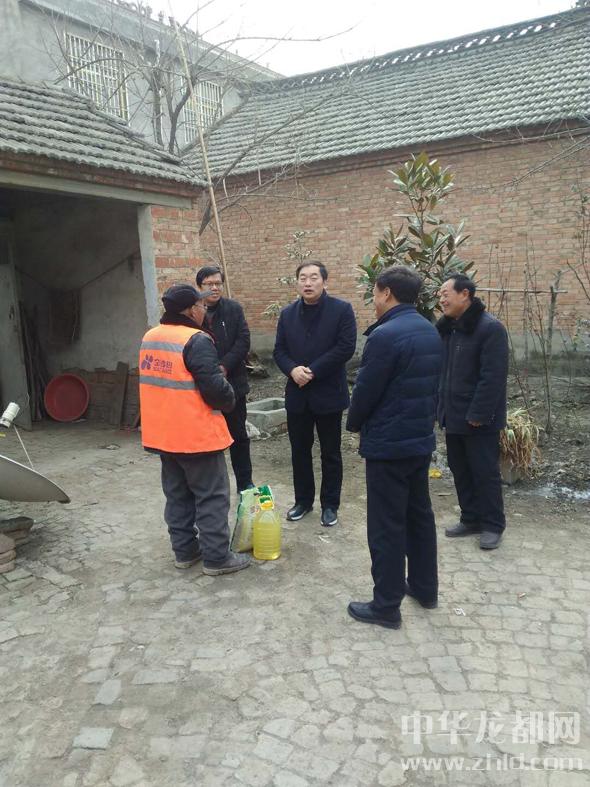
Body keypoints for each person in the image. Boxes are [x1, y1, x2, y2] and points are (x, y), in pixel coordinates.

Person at [346, 266, 442, 630]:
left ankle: (386, 606)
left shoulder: (385, 336)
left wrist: (354, 423)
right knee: (419, 516)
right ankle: (425, 588)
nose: (373, 299)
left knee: (386, 525)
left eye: (374, 292)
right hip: (418, 440)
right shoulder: (429, 330)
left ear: (386, 293)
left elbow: (366, 391)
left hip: (389, 444)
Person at [139, 284, 250, 576]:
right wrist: (230, 399)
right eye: (201, 306)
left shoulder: (151, 337)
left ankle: (185, 551)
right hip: (195, 435)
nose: (204, 310)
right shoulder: (195, 340)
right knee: (211, 496)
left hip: (163, 435)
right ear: (190, 311)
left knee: (177, 495)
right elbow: (215, 388)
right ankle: (217, 558)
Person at [273, 261, 357, 527]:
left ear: (324, 282)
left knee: (331, 453)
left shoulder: (341, 310)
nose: (307, 283)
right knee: (299, 451)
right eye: (302, 278)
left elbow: (345, 347)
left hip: (328, 393)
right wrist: (292, 369)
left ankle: (330, 505)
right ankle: (303, 501)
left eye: (313, 278)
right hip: (297, 394)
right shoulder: (287, 314)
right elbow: (279, 350)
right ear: (297, 282)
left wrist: (313, 370)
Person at [437, 274, 509, 550]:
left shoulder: (490, 328)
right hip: (453, 413)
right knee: (460, 469)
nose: (441, 300)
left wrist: (479, 413)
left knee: (484, 472)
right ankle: (471, 518)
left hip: (479, 419)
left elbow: (493, 377)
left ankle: (492, 524)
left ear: (464, 294)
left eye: (445, 294)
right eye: (440, 295)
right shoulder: (449, 328)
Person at [196, 265, 254, 493]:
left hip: (234, 385)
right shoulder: (193, 312)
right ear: (199, 287)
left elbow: (243, 340)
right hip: (203, 389)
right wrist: (210, 370)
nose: (214, 288)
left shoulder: (233, 309)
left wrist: (224, 366)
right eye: (209, 284)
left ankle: (245, 484)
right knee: (208, 440)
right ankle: (212, 487)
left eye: (218, 283)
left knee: (239, 436)